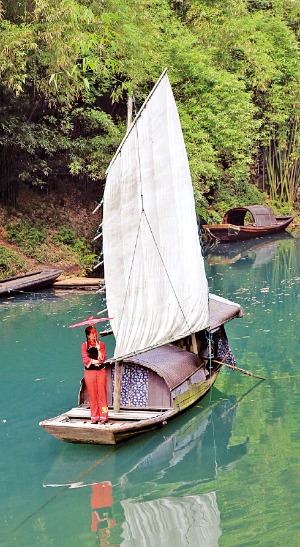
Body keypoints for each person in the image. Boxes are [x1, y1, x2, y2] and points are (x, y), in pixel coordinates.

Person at [81, 325, 108, 424]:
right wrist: (94, 361)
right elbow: (85, 359)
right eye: (92, 333)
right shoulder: (84, 345)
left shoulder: (101, 344)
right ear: (88, 335)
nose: (95, 335)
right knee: (92, 395)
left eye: (95, 332)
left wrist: (98, 349)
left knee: (102, 394)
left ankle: (104, 416)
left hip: (101, 372)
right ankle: (94, 416)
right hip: (89, 373)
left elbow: (103, 359)